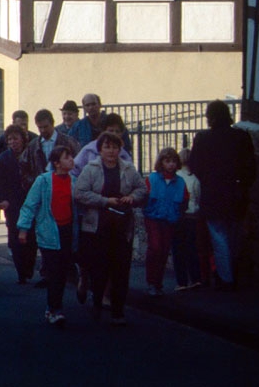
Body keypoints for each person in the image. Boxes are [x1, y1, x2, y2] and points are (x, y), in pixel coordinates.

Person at [74, 131, 146, 325]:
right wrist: (104, 201)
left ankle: (118, 311)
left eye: (115, 147)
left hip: (122, 227)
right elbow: (79, 193)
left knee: (121, 270)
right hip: (98, 227)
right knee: (99, 269)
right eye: (107, 147)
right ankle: (97, 302)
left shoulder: (128, 169)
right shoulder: (91, 169)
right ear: (100, 150)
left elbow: (142, 189)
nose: (111, 151)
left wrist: (132, 197)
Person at [189, 100, 256, 291]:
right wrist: (242, 185)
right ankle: (232, 272)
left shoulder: (203, 138)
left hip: (213, 195)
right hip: (237, 193)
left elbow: (195, 166)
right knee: (234, 236)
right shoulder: (241, 137)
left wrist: (208, 181)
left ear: (211, 118)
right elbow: (251, 168)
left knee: (219, 237)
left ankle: (226, 277)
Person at [17, 146, 78, 326]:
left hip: (67, 231)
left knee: (63, 271)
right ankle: (54, 309)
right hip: (48, 231)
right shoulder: (43, 181)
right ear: (57, 163)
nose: (72, 160)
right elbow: (30, 205)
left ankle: (55, 306)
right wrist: (23, 228)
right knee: (54, 272)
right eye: (67, 157)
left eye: (71, 156)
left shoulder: (74, 181)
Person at [0, 125, 35, 284]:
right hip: (12, 203)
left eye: (16, 138)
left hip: (30, 201)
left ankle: (29, 267)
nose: (13, 142)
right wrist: (1, 200)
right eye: (9, 139)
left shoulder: (31, 155)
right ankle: (21, 272)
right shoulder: (3, 159)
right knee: (15, 238)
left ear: (23, 139)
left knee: (31, 237)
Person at [143, 148, 188, 297]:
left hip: (170, 220)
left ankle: (158, 283)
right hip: (153, 218)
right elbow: (144, 197)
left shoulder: (180, 182)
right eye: (167, 161)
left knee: (163, 251)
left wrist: (178, 215)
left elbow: (184, 202)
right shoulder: (152, 179)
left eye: (173, 161)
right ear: (161, 162)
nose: (171, 164)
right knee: (155, 248)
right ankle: (151, 282)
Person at [173, 148, 206, 290]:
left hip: (178, 216)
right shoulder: (195, 179)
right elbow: (198, 197)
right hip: (192, 216)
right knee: (192, 248)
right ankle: (196, 278)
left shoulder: (176, 177)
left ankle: (182, 282)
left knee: (178, 248)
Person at [23, 109, 80, 181]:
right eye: (40, 127)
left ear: (52, 123)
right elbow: (24, 167)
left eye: (45, 127)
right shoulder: (32, 146)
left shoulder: (69, 142)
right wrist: (33, 181)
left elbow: (78, 163)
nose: (43, 130)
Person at [71, 113, 133, 177]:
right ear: (103, 132)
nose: (114, 134)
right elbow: (73, 170)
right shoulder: (89, 150)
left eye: (117, 131)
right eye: (111, 131)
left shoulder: (124, 155)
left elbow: (132, 176)